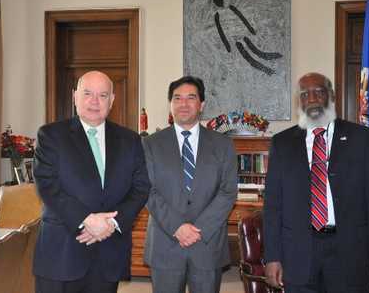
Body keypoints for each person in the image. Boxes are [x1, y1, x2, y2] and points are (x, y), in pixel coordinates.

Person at [263, 72, 369, 293]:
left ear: (331, 96)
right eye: (305, 94)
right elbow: (273, 207)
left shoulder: (362, 138)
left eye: (318, 92)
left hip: (350, 250)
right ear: (299, 101)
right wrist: (273, 257)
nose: (311, 99)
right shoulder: (282, 143)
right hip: (299, 252)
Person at [33, 71, 151, 293]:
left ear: (112, 100)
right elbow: (48, 186)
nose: (94, 101)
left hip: (108, 253)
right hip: (62, 253)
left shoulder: (130, 140)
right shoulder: (50, 136)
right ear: (74, 96)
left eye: (103, 95)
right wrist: (86, 219)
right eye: (87, 93)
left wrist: (111, 224)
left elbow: (141, 187)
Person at [142, 76, 238, 293]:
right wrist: (177, 227)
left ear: (202, 104)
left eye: (191, 98)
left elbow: (228, 190)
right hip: (165, 243)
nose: (183, 104)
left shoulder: (222, 144)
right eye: (177, 98)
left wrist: (198, 230)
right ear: (170, 104)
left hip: (207, 243)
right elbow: (148, 190)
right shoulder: (150, 144)